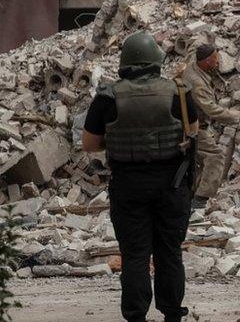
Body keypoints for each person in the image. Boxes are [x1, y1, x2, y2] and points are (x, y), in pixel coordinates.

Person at [82, 31, 197, 322]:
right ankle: (172, 314)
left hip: (128, 186)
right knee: (169, 251)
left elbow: (90, 145)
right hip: (172, 184)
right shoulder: (179, 94)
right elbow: (192, 133)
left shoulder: (107, 97)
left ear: (124, 63)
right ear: (156, 62)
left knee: (134, 254)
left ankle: (136, 316)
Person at [181, 43, 240, 210]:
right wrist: (235, 115)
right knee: (216, 157)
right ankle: (200, 200)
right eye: (215, 60)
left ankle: (191, 196)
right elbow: (211, 110)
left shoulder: (194, 67)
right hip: (192, 128)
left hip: (189, 124)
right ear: (206, 62)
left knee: (200, 162)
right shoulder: (197, 83)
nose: (218, 62)